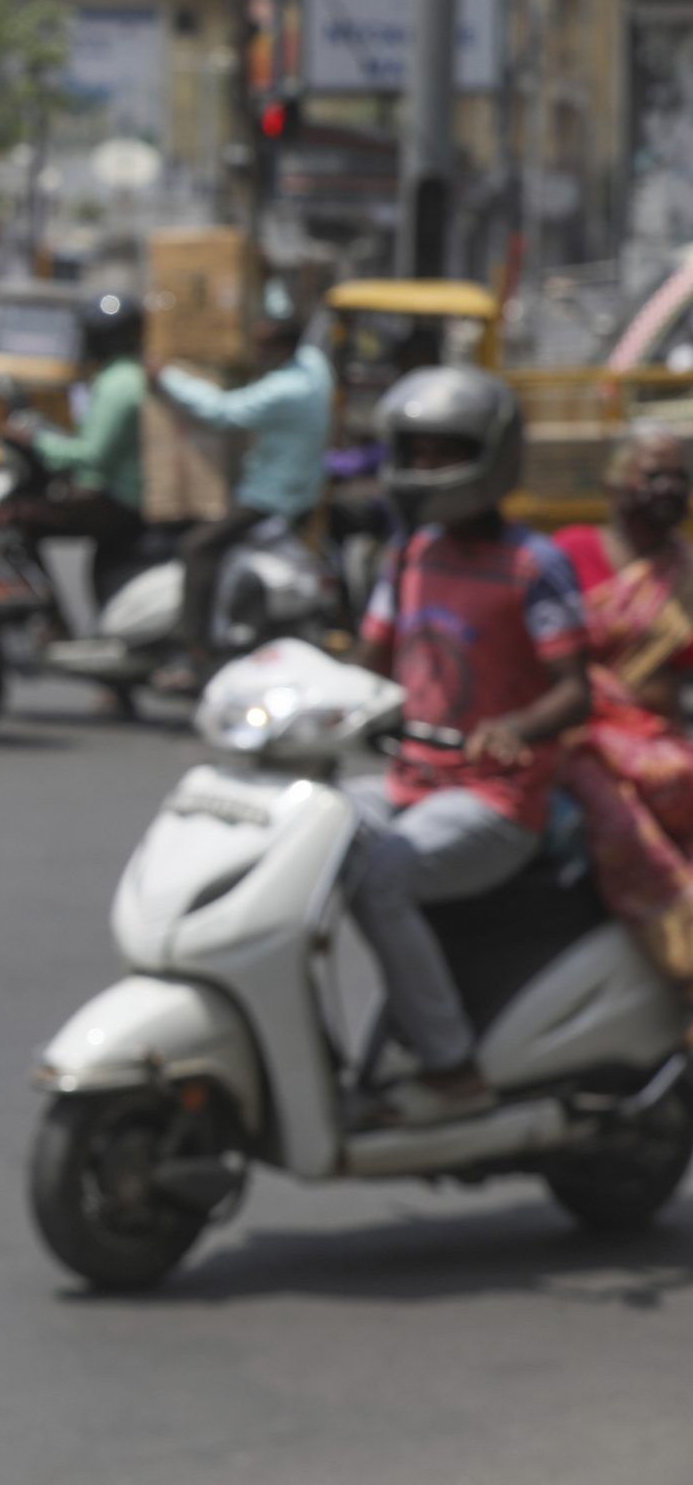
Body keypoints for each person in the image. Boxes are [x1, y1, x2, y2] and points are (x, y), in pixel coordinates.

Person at [347, 368, 591, 1124]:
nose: (422, 469)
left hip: (494, 801)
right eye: (411, 453)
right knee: (299, 832)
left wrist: (515, 728)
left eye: (439, 452)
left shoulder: (533, 564)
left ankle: (451, 1066)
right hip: (408, 782)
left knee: (378, 878)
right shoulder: (410, 554)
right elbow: (372, 664)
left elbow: (574, 689)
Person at [552, 426, 693, 1013]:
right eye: (652, 474)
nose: (666, 489)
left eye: (679, 479)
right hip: (577, 733)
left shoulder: (686, 574)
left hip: (657, 737)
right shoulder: (567, 553)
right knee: (619, 823)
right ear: (616, 479)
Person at [148, 310, 333, 689]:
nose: (256, 351)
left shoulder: (285, 390)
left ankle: (195, 646)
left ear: (282, 347)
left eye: (264, 344)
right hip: (297, 491)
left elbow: (222, 412)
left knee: (198, 547)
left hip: (271, 498)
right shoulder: (314, 366)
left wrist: (166, 376)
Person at [3, 291, 147, 600]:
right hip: (114, 493)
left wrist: (37, 441)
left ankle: (51, 615)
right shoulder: (121, 377)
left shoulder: (117, 384)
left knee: (19, 517)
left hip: (121, 499)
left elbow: (92, 455)